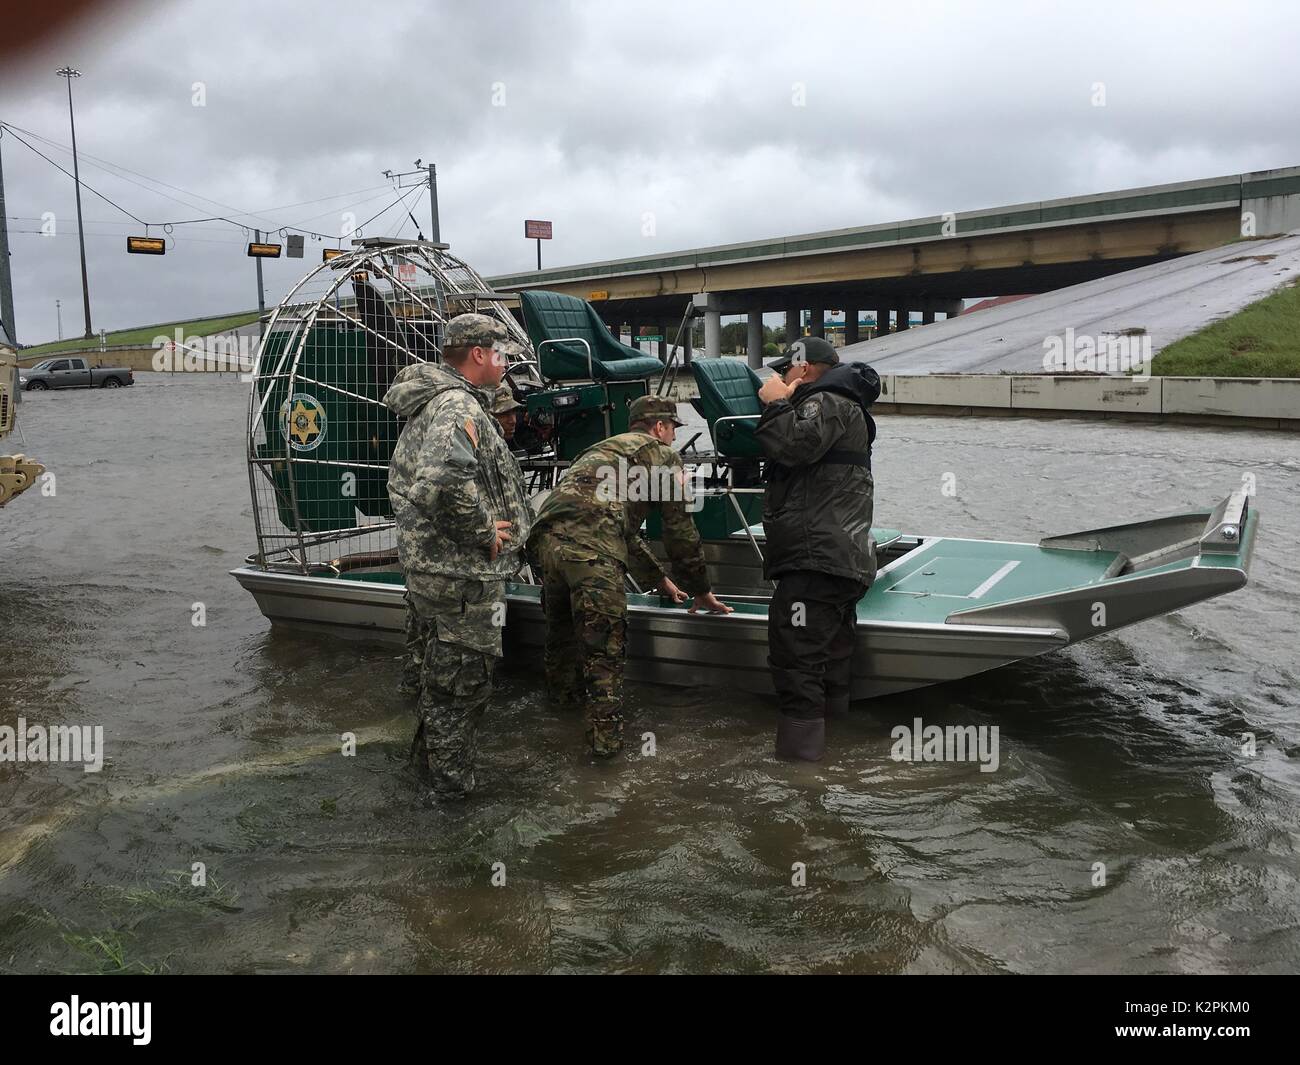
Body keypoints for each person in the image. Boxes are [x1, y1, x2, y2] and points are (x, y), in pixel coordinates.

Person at [528, 395, 732, 756]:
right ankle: (605, 761)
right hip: (591, 555)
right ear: (658, 427)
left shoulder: (598, 452)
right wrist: (700, 589)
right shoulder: (661, 455)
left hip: (546, 547)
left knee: (560, 646)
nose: (672, 438)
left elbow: (609, 525)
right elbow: (680, 531)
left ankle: (554, 731)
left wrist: (659, 579)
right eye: (671, 430)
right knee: (603, 657)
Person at [384, 313, 532, 800]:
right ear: (478, 354)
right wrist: (484, 531)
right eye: (502, 355)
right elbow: (441, 481)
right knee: (460, 691)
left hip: (436, 573)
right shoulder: (457, 404)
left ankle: (424, 780)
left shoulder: (438, 401)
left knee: (438, 684)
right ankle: (451, 802)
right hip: (460, 578)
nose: (505, 364)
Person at [754, 336, 880, 762]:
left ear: (803, 369)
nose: (780, 377)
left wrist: (774, 403)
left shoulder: (824, 401)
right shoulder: (849, 407)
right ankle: (838, 752)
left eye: (785, 370)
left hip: (814, 562)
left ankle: (799, 775)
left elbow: (793, 446)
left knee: (796, 661)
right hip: (844, 563)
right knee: (832, 658)